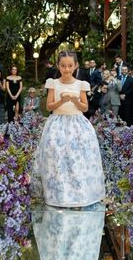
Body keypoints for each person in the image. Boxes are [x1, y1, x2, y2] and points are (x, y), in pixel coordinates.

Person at [33, 51, 105, 207]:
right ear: (58, 65)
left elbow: (85, 107)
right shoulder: (53, 83)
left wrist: (74, 100)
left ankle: (79, 193)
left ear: (76, 65)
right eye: (63, 66)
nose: (66, 69)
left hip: (77, 124)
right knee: (57, 158)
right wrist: (61, 100)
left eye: (70, 66)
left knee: (76, 157)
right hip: (57, 124)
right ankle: (58, 193)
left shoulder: (81, 84)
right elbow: (49, 106)